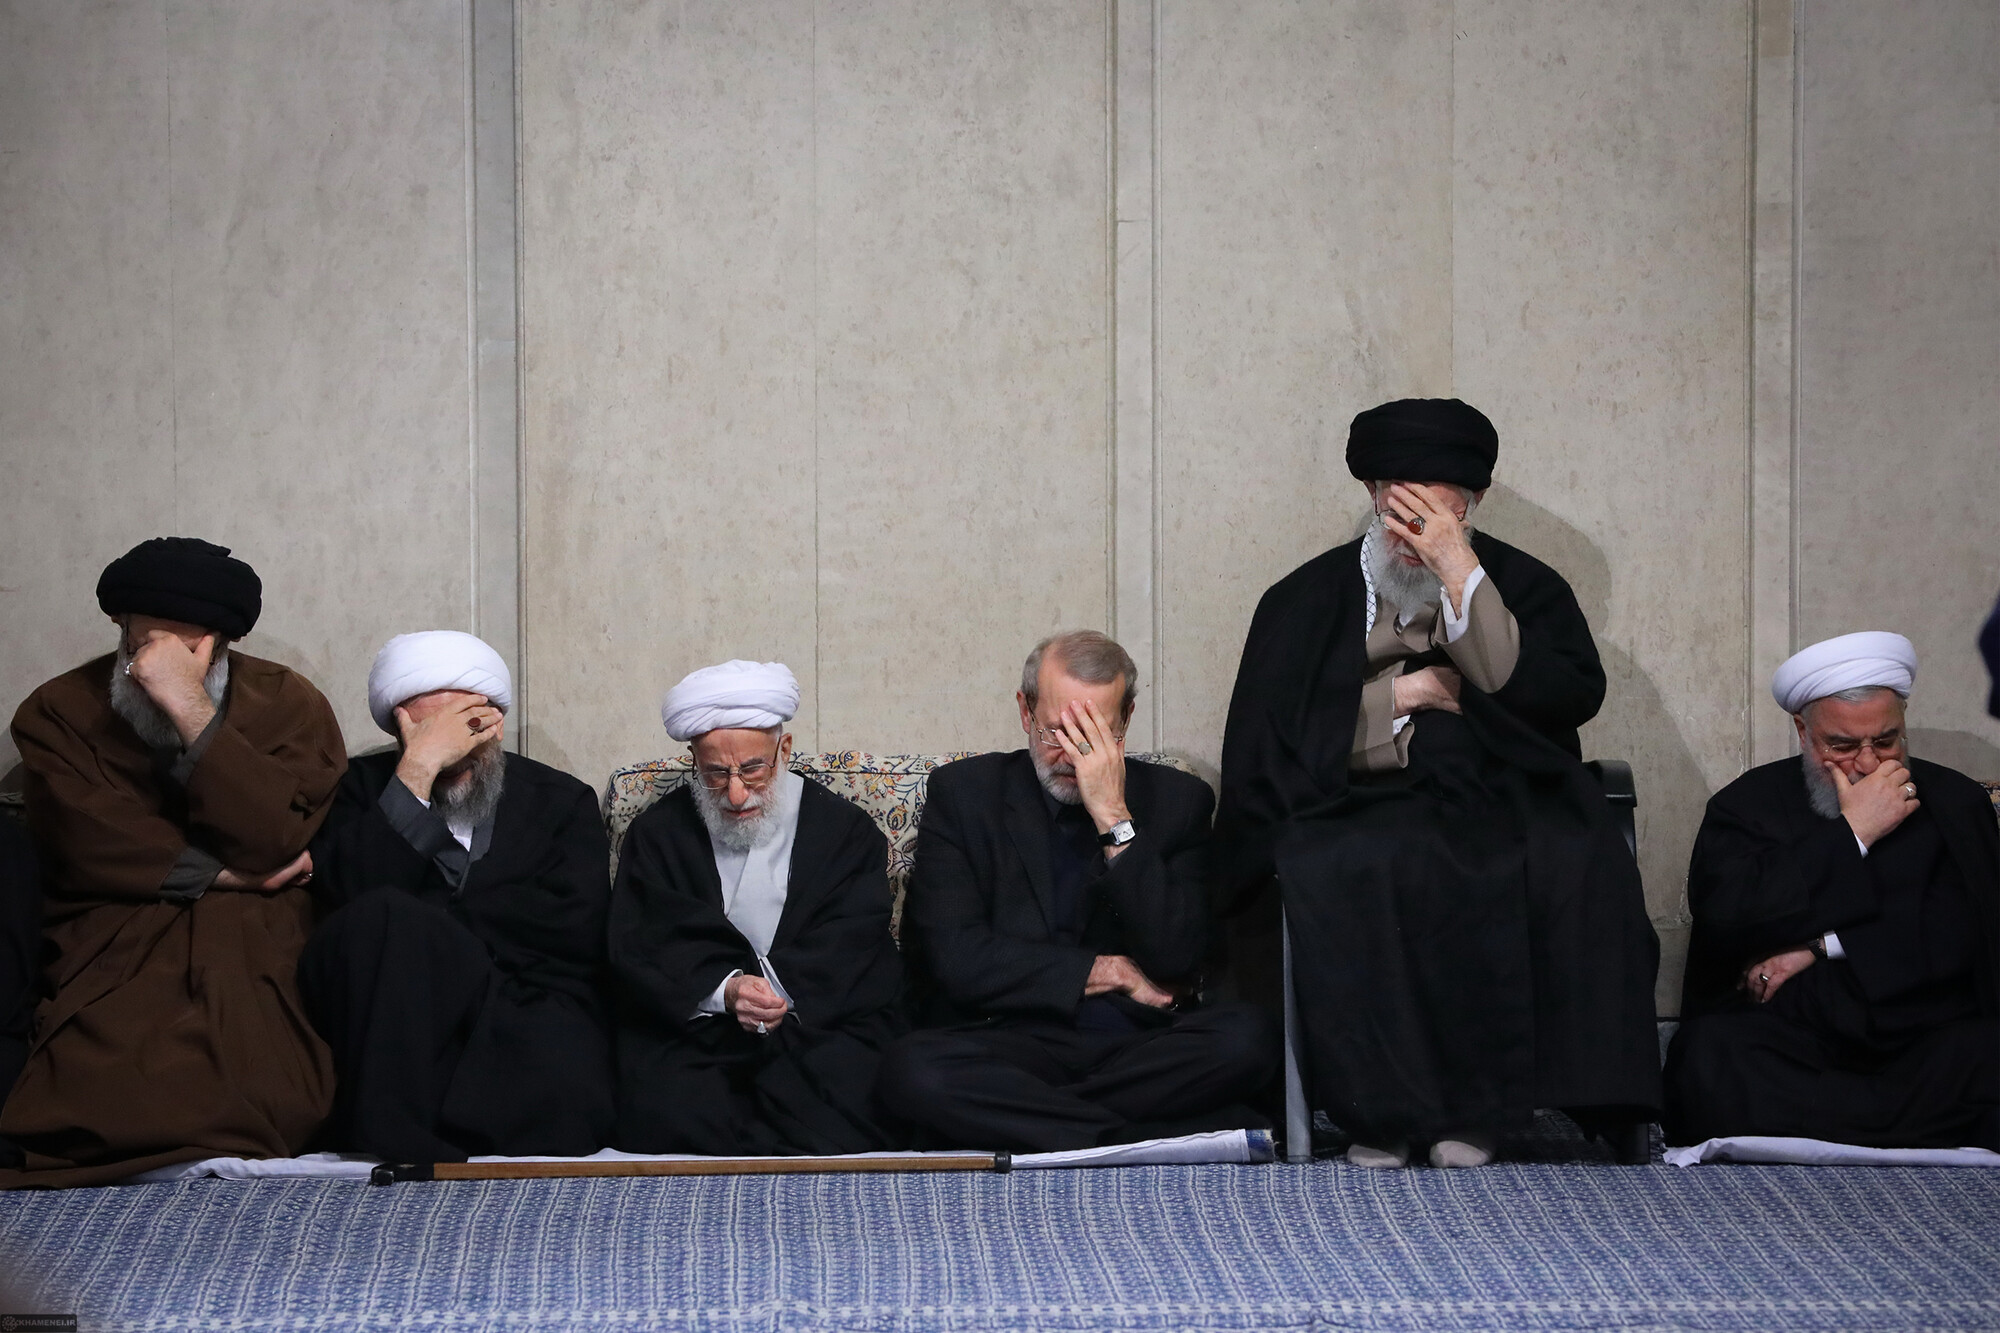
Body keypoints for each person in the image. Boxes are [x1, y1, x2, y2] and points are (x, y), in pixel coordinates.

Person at [1215, 399, 1659, 1169]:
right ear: (1373, 494)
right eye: (1401, 513)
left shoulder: (1527, 584)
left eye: (1439, 516)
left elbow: (1557, 697)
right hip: (1353, 792)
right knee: (1354, 864)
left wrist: (1461, 574)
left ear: (1473, 502)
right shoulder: (1304, 598)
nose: (1416, 534)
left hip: (1498, 789)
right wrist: (1409, 693)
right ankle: (1379, 1112)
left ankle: (1477, 1113)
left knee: (1520, 861)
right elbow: (1274, 737)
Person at [2, 538, 344, 1186]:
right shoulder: (59, 709)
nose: (163, 665)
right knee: (112, 1064)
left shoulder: (290, 703)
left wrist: (192, 708)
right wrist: (231, 876)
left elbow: (272, 836)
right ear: (120, 626)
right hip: (118, 929)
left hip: (257, 934)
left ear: (223, 642)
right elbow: (91, 840)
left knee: (259, 1054)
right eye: (148, 644)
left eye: (190, 652)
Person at [878, 631, 1279, 1151]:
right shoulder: (966, 794)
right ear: (1025, 711)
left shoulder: (1179, 800)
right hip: (1005, 1041)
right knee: (913, 1071)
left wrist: (1114, 819)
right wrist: (1107, 971)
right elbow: (957, 958)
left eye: (1095, 735)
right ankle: (1145, 1137)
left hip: (1135, 1045)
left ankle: (1042, 1126)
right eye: (1058, 732)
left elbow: (1180, 956)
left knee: (1248, 1040)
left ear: (1126, 719)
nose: (1073, 756)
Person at [1665, 632, 1998, 1149]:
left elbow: (1963, 932)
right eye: (1842, 746)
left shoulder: (1955, 803)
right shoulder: (1747, 804)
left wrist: (1818, 948)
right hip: (1798, 1040)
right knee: (1709, 1058)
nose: (1867, 763)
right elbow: (1728, 916)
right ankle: (1904, 1128)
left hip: (1925, 1037)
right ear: (1803, 731)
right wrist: (1853, 833)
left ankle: (1839, 1126)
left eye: (1885, 741)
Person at [300, 631, 614, 1162]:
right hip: (398, 1013)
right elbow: (348, 908)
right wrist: (415, 774)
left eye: (466, 730)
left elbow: (573, 934)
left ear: (495, 724)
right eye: (429, 733)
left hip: (521, 1005)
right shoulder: (359, 792)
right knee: (386, 920)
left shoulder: (560, 802)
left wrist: (443, 935)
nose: (453, 752)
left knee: (562, 1073)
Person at [611, 660, 905, 1155]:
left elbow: (854, 938)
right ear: (693, 760)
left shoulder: (845, 831)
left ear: (783, 750)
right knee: (660, 1104)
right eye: (715, 773)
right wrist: (727, 990)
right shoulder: (658, 835)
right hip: (705, 1031)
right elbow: (644, 942)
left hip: (815, 1025)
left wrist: (773, 991)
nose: (735, 793)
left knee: (855, 1091)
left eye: (751, 769)